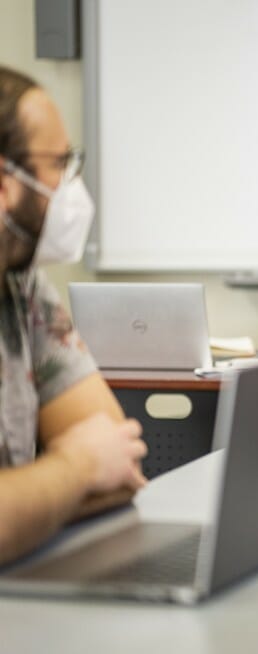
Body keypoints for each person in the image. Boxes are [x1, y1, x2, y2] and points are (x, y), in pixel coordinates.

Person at [0, 66, 147, 564]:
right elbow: (93, 462)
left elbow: (120, 464)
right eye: (57, 163)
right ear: (5, 185)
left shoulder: (23, 287)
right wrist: (77, 467)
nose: (70, 185)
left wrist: (36, 497)